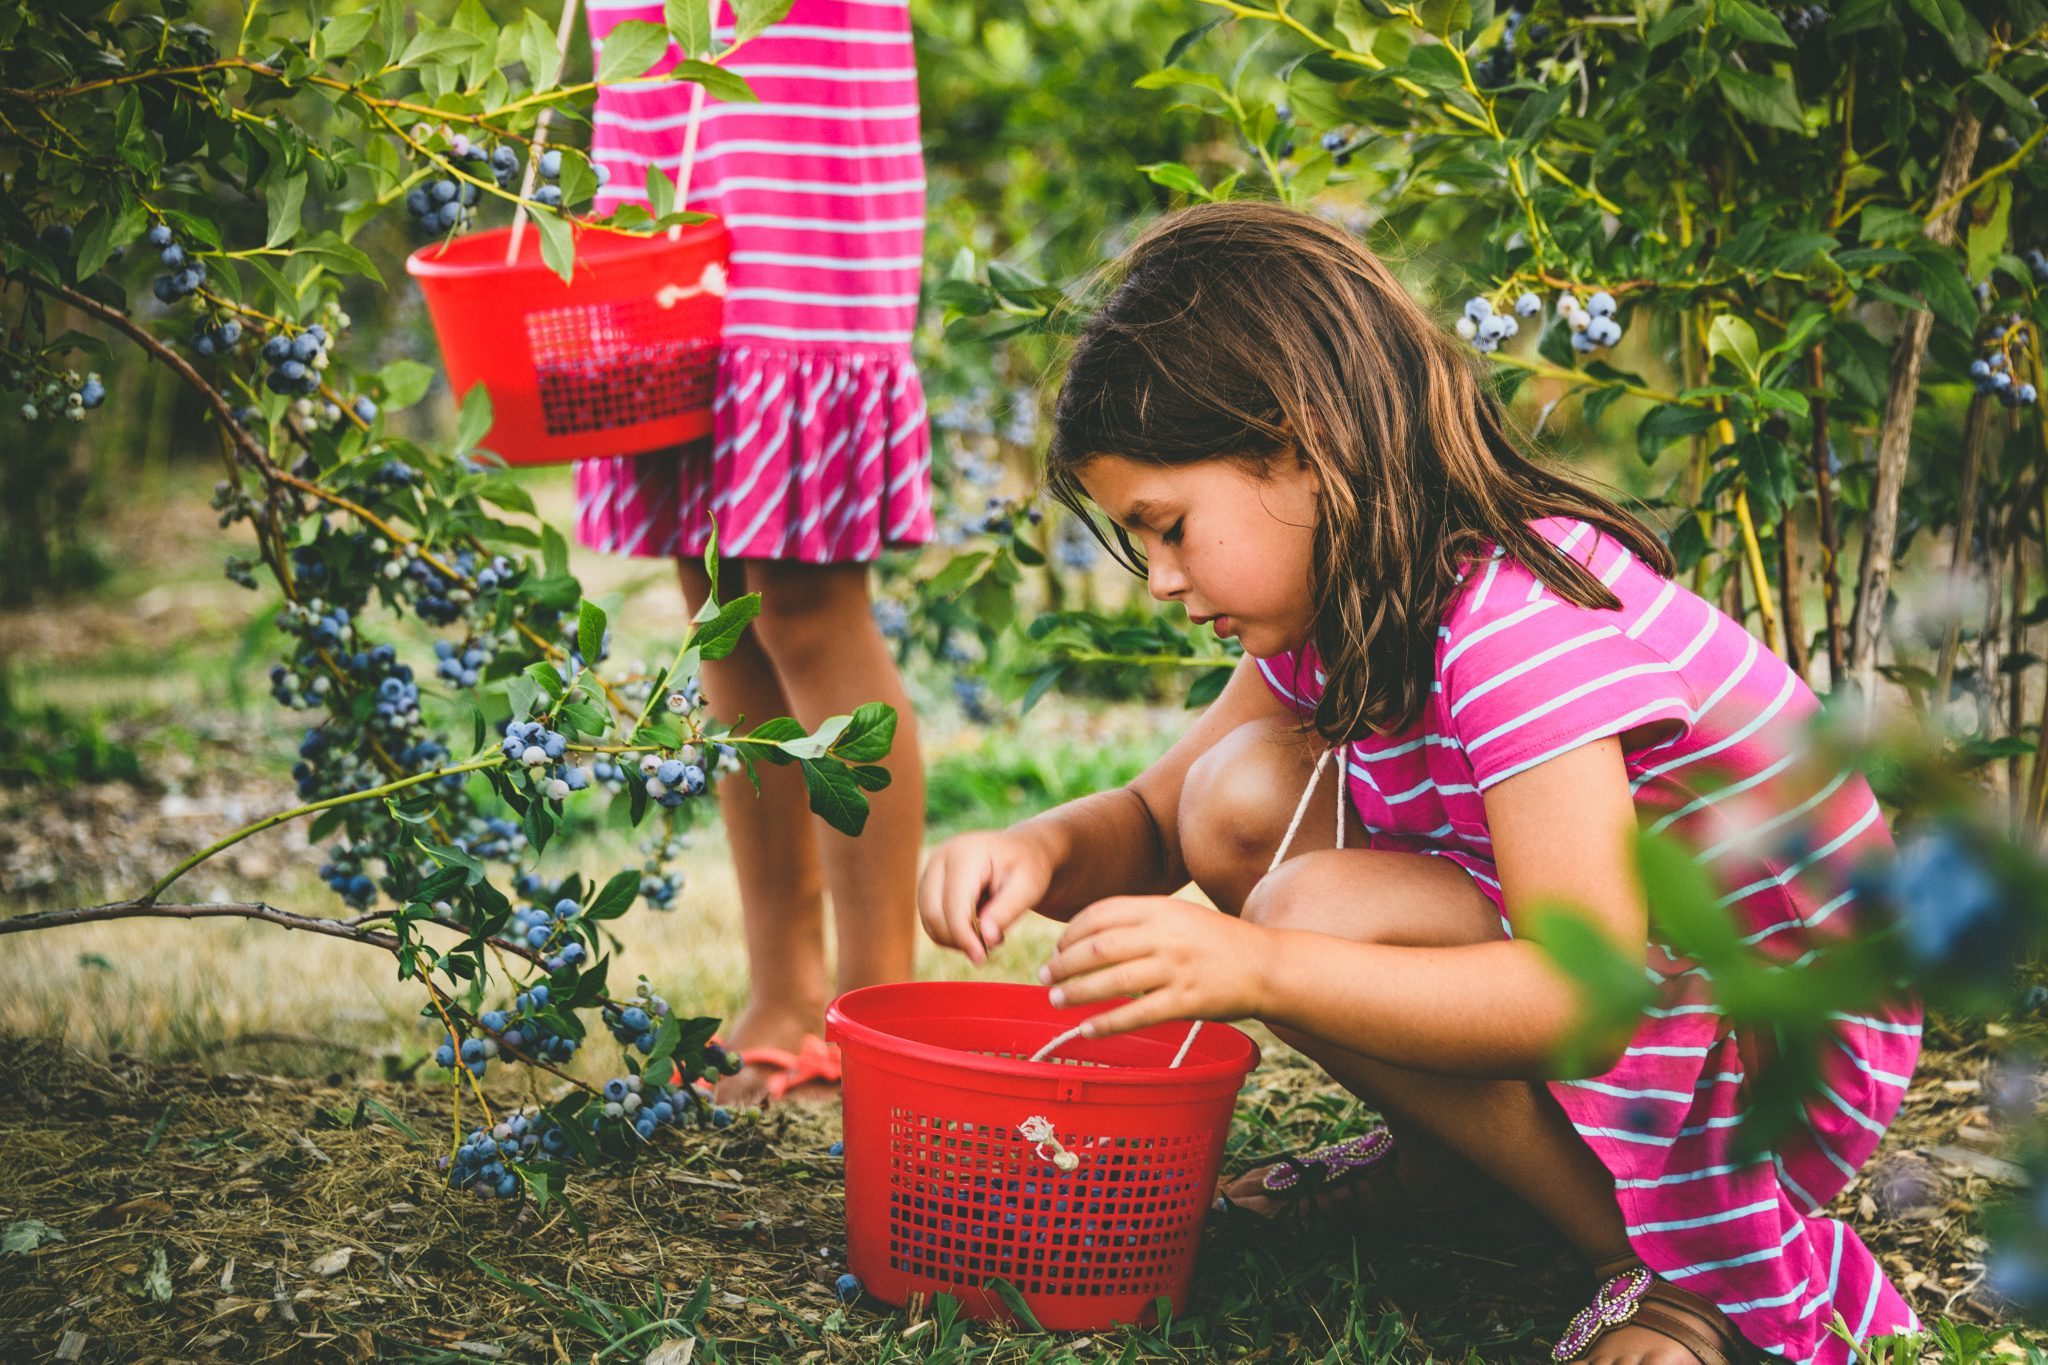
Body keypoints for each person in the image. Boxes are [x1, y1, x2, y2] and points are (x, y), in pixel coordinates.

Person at [917, 200, 1922, 1365]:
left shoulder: (1514, 630)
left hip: (1781, 1042)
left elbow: (1578, 996)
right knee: (1234, 802)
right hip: (1661, 975)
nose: (1156, 577)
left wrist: (1265, 969)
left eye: (1171, 526)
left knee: (1309, 919)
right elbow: (1153, 820)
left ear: (1296, 446)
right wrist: (1032, 851)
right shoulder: (1341, 598)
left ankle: (1668, 1268)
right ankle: (1468, 1171)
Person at [579, 0, 931, 1105]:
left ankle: (876, 1016)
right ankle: (783, 991)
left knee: (805, 605)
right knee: (715, 586)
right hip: (663, 114)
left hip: (792, 147)